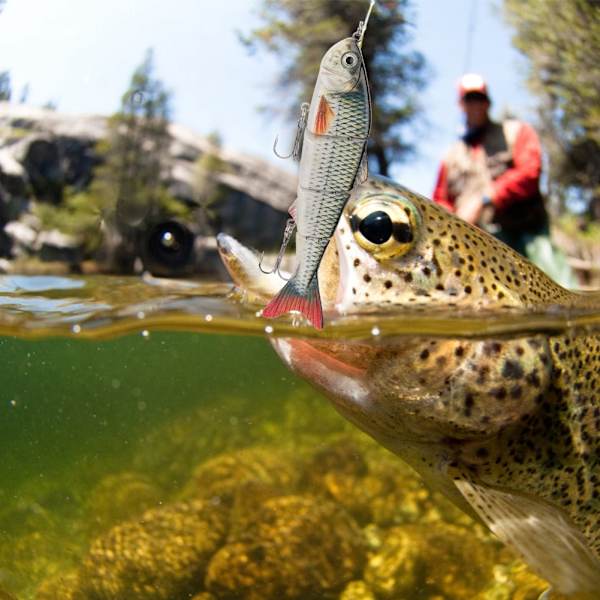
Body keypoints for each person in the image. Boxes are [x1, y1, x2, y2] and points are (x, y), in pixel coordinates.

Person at [432, 73, 576, 288]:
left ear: (488, 102)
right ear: (461, 105)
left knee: (561, 292)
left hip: (528, 236)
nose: (476, 105)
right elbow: (440, 201)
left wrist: (486, 198)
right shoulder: (450, 158)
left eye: (479, 98)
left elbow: (530, 173)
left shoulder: (516, 132)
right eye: (470, 99)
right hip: (479, 249)